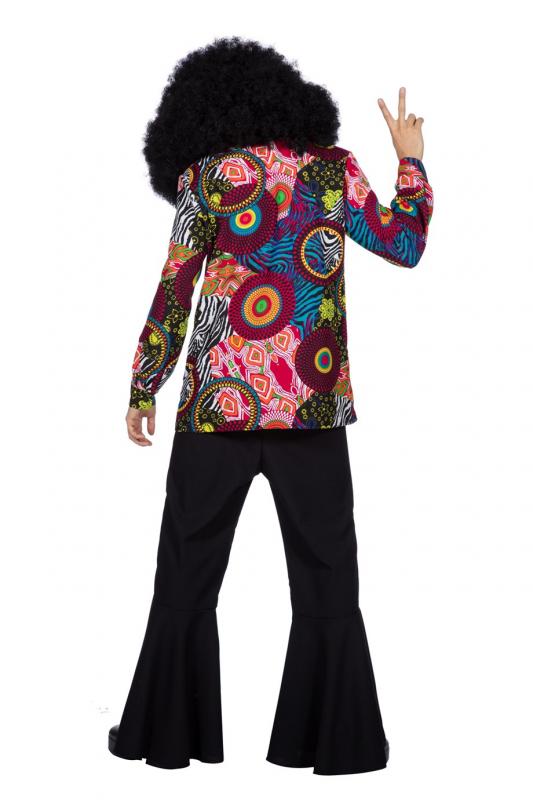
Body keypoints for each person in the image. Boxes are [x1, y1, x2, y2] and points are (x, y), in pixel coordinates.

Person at [107, 36, 434, 775]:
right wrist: (409, 162)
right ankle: (334, 745)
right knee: (328, 579)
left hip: (215, 409)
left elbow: (175, 289)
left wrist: (143, 385)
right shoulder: (331, 170)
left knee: (185, 574)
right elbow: (404, 244)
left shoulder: (206, 176)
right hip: (311, 412)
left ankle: (167, 738)